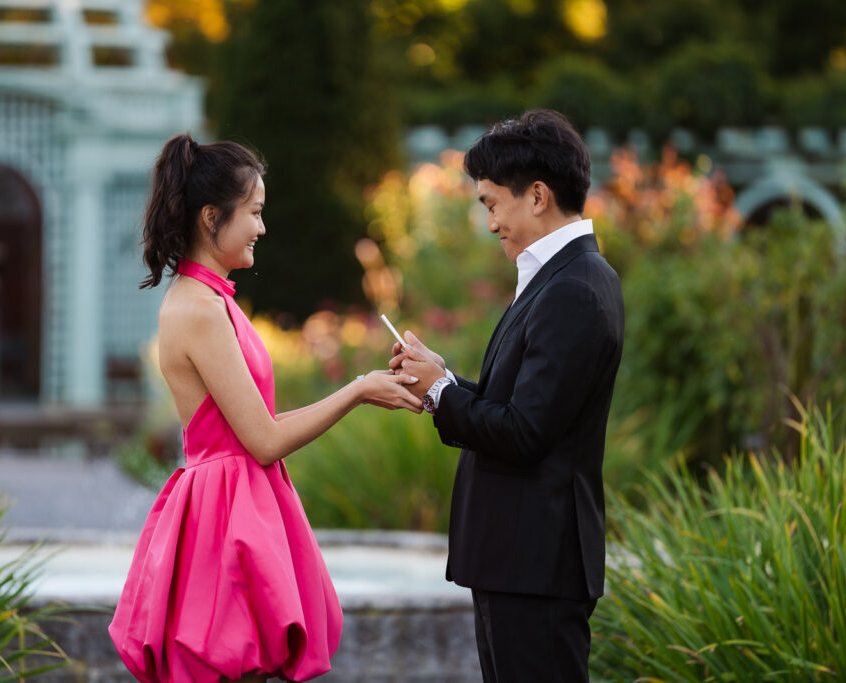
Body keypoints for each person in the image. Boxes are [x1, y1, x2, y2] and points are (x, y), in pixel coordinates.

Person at [109, 135, 422, 683]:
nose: (262, 227)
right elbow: (264, 439)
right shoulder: (199, 309)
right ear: (212, 217)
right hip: (227, 514)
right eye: (253, 212)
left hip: (237, 502)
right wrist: (357, 389)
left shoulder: (212, 299)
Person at [392, 110, 624, 682]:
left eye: (493, 204)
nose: (491, 222)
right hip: (519, 562)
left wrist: (443, 393)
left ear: (538, 195)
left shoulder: (574, 287)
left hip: (537, 565)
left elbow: (525, 433)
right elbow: (522, 405)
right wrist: (440, 382)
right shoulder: (558, 277)